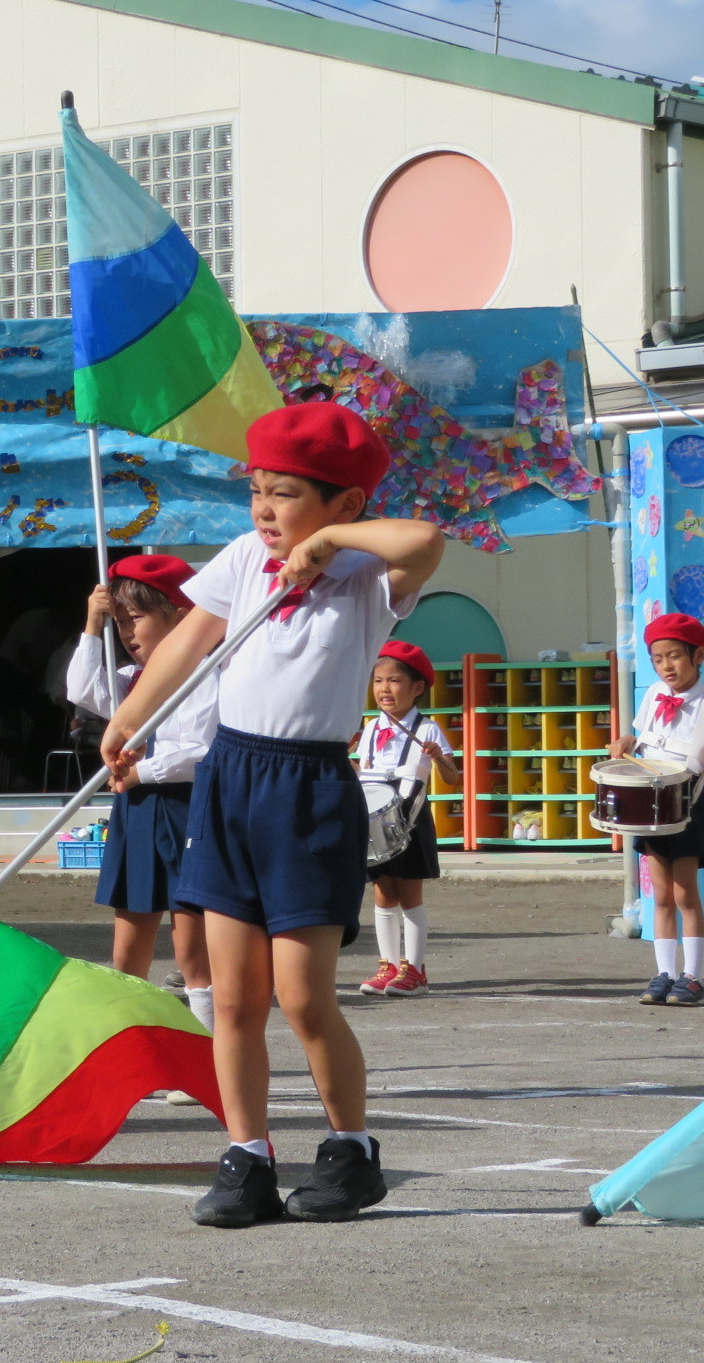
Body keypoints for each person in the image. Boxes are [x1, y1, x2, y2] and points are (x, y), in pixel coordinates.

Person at [103, 400, 443, 1227]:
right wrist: (130, 717)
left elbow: (425, 541)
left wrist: (330, 546)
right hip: (228, 783)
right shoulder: (243, 562)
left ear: (344, 504)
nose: (263, 508)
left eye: (286, 493)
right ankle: (248, 1155)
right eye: (257, 490)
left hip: (309, 791)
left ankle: (351, 1149)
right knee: (235, 997)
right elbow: (188, 641)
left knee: (302, 997)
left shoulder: (366, 579)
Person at [63, 558, 217, 1047]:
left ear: (178, 612)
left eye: (138, 618)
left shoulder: (207, 671)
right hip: (137, 810)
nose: (128, 632)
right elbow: (83, 690)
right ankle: (130, 1049)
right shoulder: (130, 678)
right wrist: (92, 623)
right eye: (121, 621)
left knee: (192, 947)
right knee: (129, 943)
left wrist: (142, 770)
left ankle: (206, 1050)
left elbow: (204, 749)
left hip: (189, 806)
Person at [610, 613, 704, 1008]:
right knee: (662, 896)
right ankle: (664, 973)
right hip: (650, 807)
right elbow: (640, 740)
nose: (666, 665)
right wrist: (625, 742)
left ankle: (693, 977)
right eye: (658, 658)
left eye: (675, 656)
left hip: (687, 804)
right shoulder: (653, 694)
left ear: (698, 655)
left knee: (687, 895)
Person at [357, 640, 460, 998]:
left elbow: (452, 777)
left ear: (417, 689)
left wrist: (439, 758)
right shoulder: (370, 728)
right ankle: (387, 965)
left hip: (411, 820)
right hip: (374, 822)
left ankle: (415, 969)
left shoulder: (428, 729)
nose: (384, 689)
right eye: (378, 680)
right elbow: (363, 772)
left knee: (409, 895)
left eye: (394, 681)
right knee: (383, 894)